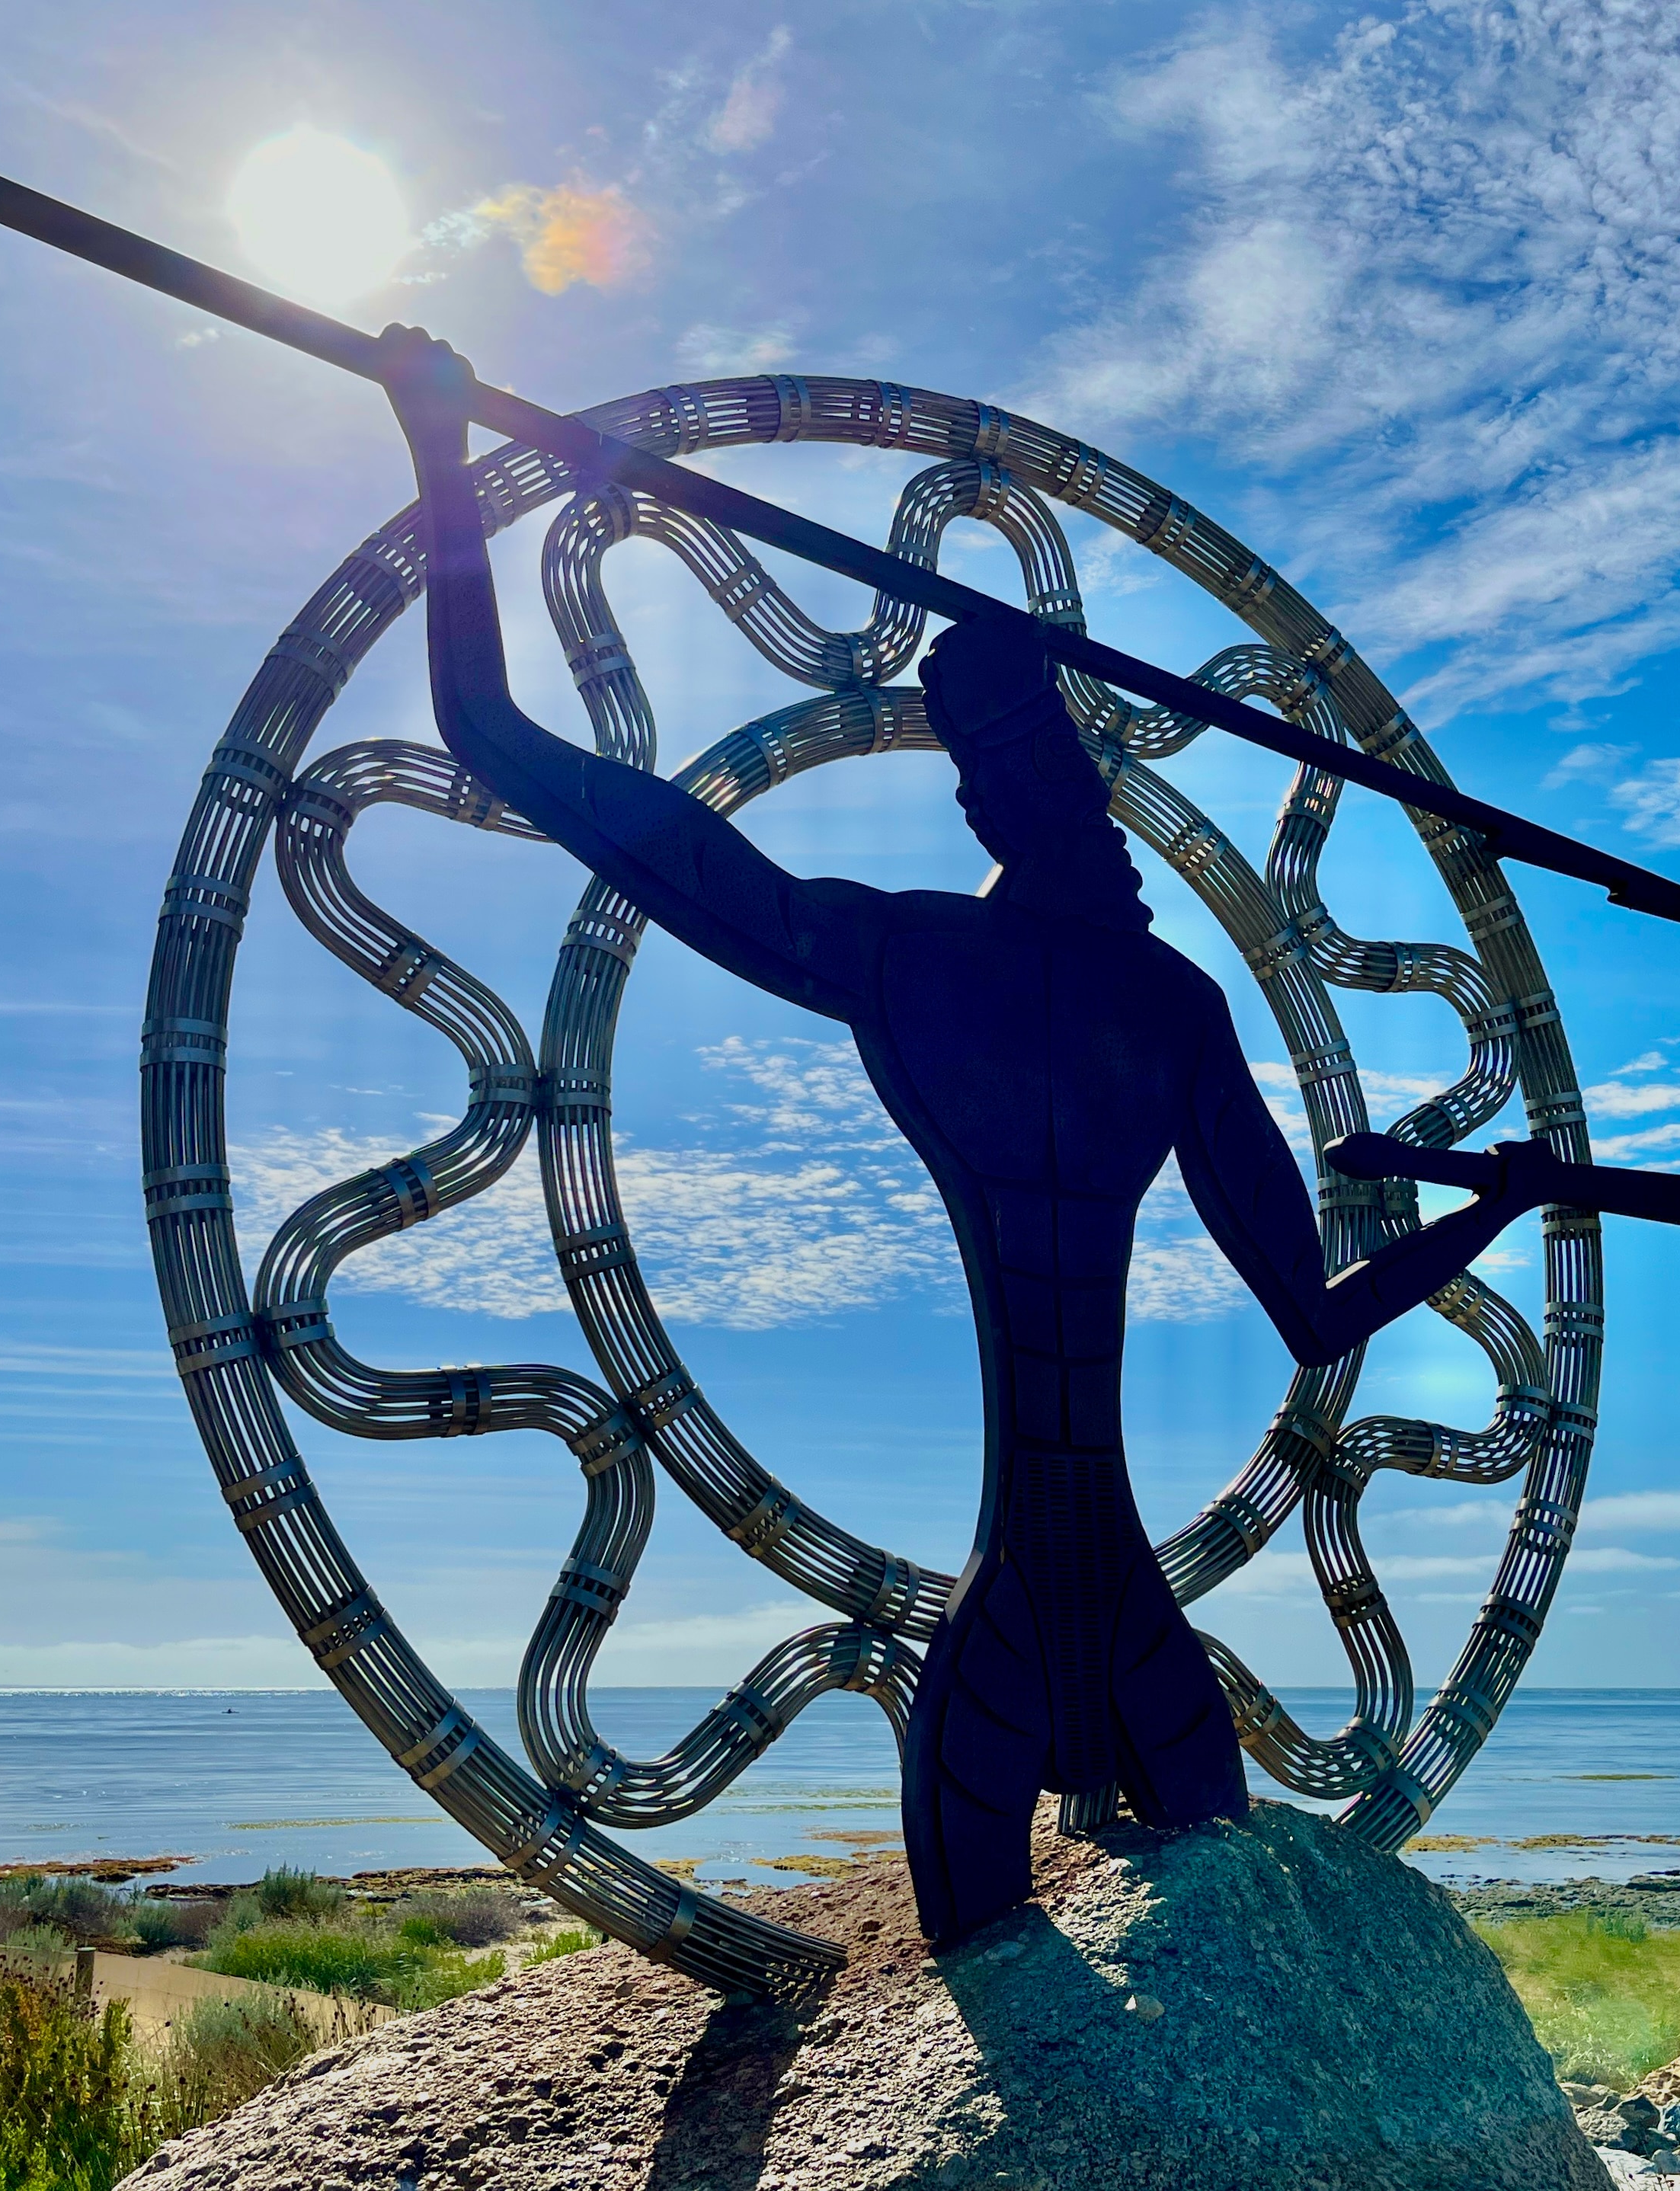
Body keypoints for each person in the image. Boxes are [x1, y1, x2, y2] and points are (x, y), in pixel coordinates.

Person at [376, 328, 1539, 1946]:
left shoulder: (1124, 1000)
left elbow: (1320, 1310)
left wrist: (1512, 1199)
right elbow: (500, 736)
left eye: (1081, 784)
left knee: (1198, 1930)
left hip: (1114, 1612)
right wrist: (441, 464)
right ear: (1001, 810)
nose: (1090, 824)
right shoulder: (953, 966)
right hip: (1061, 1612)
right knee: (1015, 1959)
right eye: (1048, 787)